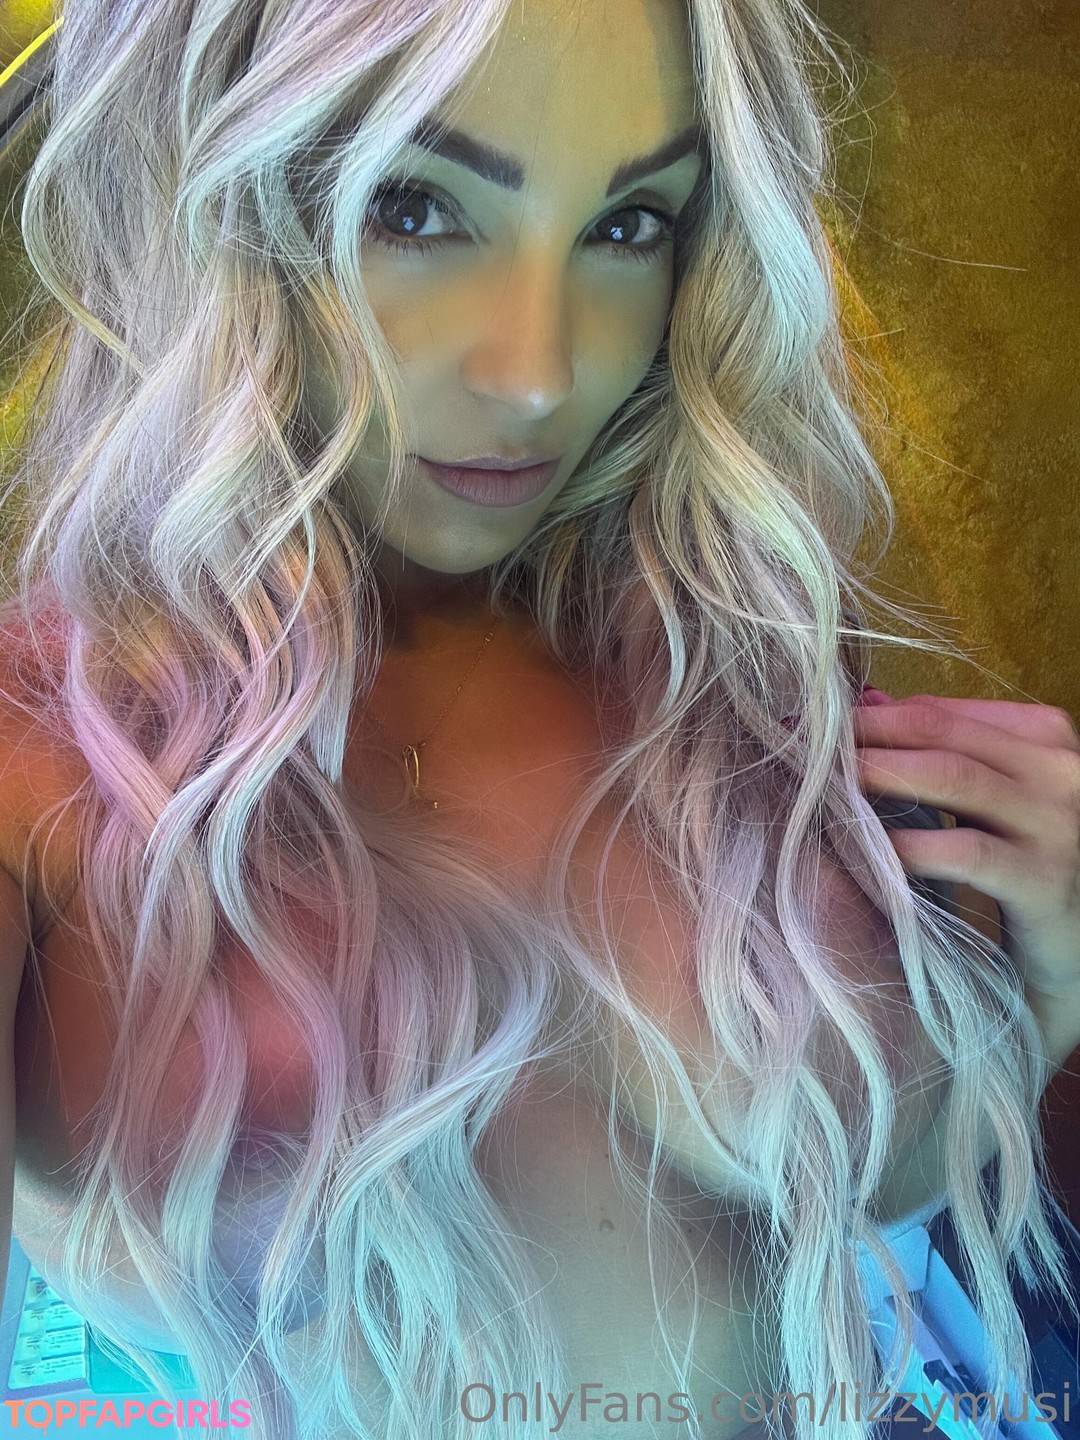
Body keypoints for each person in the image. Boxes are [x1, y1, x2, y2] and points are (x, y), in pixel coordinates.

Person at [0, 0, 1077, 1436]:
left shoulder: (728, 669)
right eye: (411, 206)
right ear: (199, 195)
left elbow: (901, 1191)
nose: (539, 372)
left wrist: (1053, 982)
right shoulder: (41, 760)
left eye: (629, 224)